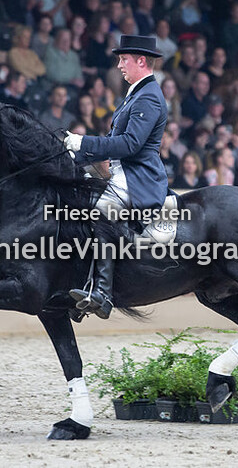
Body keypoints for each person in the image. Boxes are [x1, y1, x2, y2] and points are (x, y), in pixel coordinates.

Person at [64, 35, 168, 319]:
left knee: (100, 211)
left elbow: (130, 145)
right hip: (121, 172)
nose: (119, 65)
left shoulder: (149, 96)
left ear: (141, 61)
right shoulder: (135, 93)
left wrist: (83, 142)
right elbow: (113, 140)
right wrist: (73, 155)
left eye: (123, 60)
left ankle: (102, 293)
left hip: (137, 177)